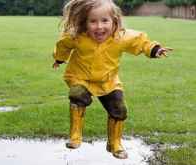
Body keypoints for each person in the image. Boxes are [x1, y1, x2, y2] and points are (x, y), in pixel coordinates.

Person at [52, 0, 172, 159]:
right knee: (77, 94)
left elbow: (140, 41)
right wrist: (60, 59)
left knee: (119, 110)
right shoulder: (77, 37)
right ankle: (75, 136)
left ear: (114, 21)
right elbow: (63, 45)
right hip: (80, 77)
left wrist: (154, 49)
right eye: (93, 21)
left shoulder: (120, 37)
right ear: (85, 23)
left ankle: (114, 143)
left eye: (104, 21)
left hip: (108, 81)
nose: (99, 26)